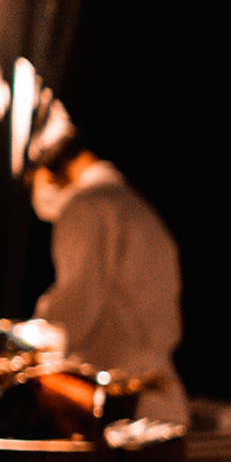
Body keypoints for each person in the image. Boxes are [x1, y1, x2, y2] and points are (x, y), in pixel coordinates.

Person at [23, 90, 189, 425]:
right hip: (157, 395)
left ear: (52, 164)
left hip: (120, 400)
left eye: (31, 179)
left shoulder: (86, 207)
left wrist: (23, 347)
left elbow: (77, 305)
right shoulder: (127, 203)